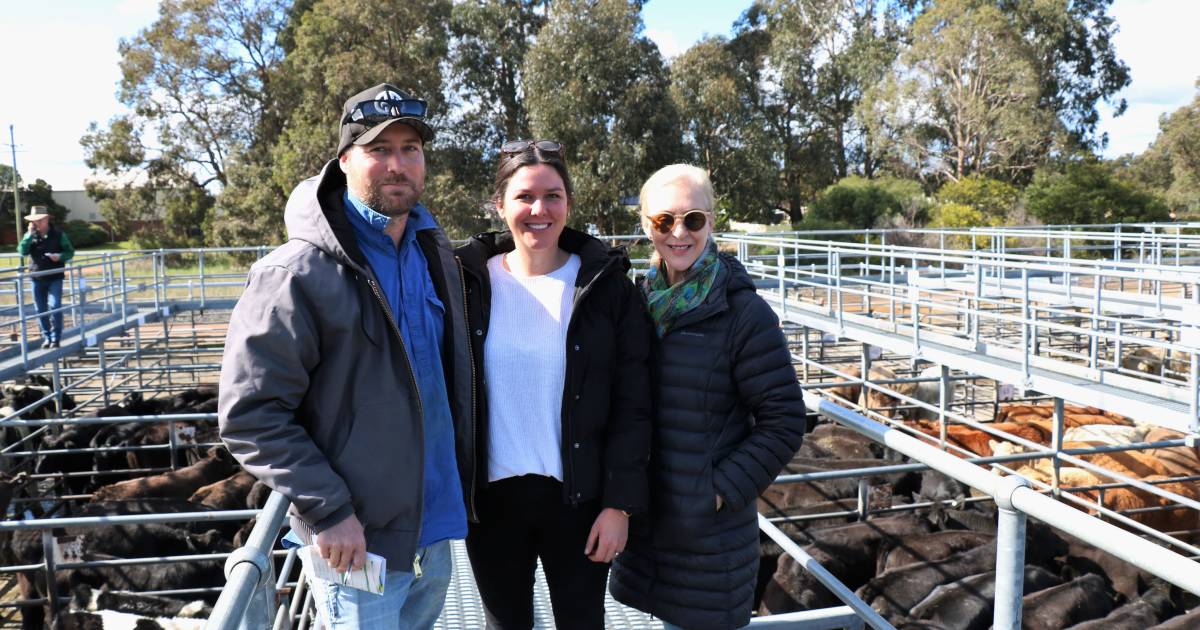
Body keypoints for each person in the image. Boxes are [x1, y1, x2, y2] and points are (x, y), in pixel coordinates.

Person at [218, 83, 475, 629]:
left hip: (434, 530)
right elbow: (251, 413)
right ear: (344, 161)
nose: (396, 165)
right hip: (356, 542)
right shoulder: (295, 274)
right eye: (377, 150)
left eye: (410, 149)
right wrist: (328, 510)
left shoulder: (434, 255)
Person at [454, 139, 652, 629]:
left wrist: (619, 506)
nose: (538, 209)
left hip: (579, 501)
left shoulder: (607, 287)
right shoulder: (465, 283)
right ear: (499, 205)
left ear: (568, 203)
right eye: (524, 196)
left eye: (553, 195)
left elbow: (634, 403)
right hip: (493, 504)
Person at [609, 164, 807, 630]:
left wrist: (715, 493)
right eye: (663, 221)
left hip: (709, 547)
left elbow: (784, 421)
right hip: (650, 538)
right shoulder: (637, 304)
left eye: (693, 219)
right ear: (645, 226)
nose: (679, 233)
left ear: (712, 222)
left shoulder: (743, 313)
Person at [18, 207, 75, 348]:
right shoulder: (30, 236)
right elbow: (22, 251)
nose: (35, 223)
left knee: (55, 306)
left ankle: (56, 338)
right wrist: (28, 236)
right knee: (40, 309)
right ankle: (47, 337)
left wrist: (60, 257)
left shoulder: (58, 235)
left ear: (46, 220)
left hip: (55, 277)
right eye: (33, 220)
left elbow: (70, 252)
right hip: (36, 277)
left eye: (38, 220)